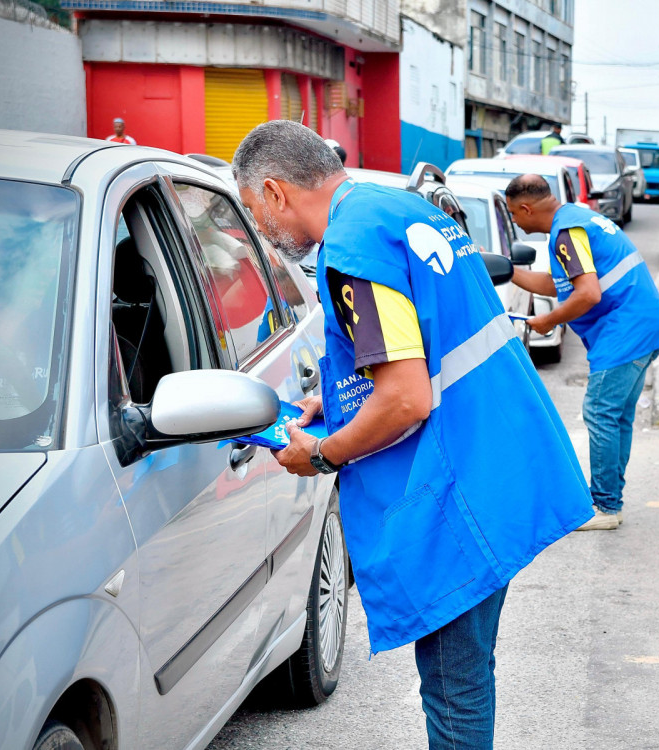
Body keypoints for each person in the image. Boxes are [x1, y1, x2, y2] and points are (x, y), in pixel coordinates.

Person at [231, 120, 593, 750]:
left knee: (455, 692)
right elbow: (417, 349)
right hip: (495, 464)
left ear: (274, 191)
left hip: (459, 491)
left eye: (254, 213)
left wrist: (321, 452)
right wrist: (337, 400)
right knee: (468, 678)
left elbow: (405, 396)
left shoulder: (352, 248)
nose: (260, 231)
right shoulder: (395, 207)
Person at [505, 174, 659, 531]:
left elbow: (587, 294)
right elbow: (562, 283)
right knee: (616, 418)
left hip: (625, 331)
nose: (515, 222)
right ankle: (609, 498)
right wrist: (510, 272)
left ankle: (604, 506)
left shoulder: (566, 233)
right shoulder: (576, 218)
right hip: (643, 325)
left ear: (526, 208)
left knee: (600, 413)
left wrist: (547, 320)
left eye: (513, 214)